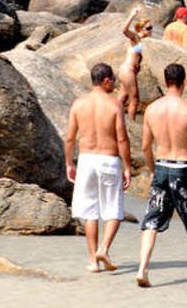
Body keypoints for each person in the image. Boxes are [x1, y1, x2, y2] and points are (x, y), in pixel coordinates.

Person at [137, 63, 187, 287]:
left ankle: (142, 268)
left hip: (161, 167)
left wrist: (153, 170)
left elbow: (144, 147)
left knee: (151, 221)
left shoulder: (152, 109)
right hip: (184, 170)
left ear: (165, 81)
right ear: (184, 82)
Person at [64, 63, 132, 273]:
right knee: (113, 209)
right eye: (113, 79)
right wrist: (127, 167)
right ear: (106, 81)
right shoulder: (113, 105)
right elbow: (121, 138)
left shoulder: (78, 104)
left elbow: (69, 138)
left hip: (86, 160)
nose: (115, 83)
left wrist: (69, 163)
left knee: (90, 212)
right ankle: (104, 248)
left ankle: (94, 261)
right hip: (108, 160)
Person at [119, 7, 151, 118]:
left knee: (122, 97)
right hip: (128, 70)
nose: (151, 30)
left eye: (151, 28)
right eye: (148, 28)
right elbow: (124, 31)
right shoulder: (136, 38)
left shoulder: (145, 41)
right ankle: (131, 122)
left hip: (127, 71)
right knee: (134, 100)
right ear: (141, 29)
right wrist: (132, 15)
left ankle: (111, 117)